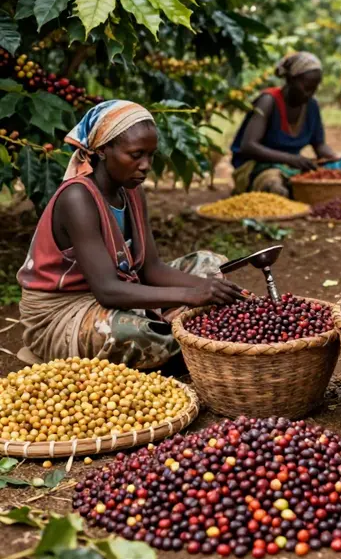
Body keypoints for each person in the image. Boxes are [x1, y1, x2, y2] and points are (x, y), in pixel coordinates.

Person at [17, 100, 243, 369]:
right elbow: (108, 291)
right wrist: (192, 295)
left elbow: (152, 269)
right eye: (136, 155)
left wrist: (207, 287)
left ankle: (181, 334)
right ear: (102, 150)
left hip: (121, 289)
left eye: (151, 155)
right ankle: (182, 342)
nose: (146, 165)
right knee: (137, 335)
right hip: (65, 313)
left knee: (211, 266)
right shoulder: (77, 198)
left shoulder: (132, 190)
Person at [231, 51, 341, 196]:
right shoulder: (268, 101)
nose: (310, 93)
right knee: (274, 185)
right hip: (258, 167)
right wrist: (291, 159)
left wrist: (335, 158)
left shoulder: (311, 105)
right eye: (307, 87)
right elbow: (248, 146)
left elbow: (319, 145)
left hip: (291, 167)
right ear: (290, 80)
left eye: (315, 87)